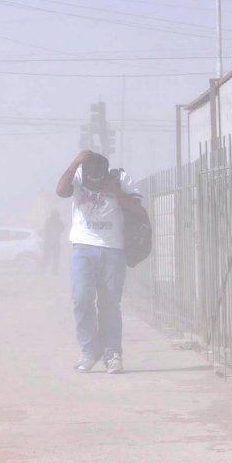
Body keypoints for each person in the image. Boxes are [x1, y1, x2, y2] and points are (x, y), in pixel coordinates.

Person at [56, 150, 142, 374]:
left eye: (98, 178)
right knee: (81, 298)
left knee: (110, 303)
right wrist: (75, 161)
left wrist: (115, 191)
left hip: (113, 248)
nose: (94, 181)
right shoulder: (78, 176)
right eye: (91, 177)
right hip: (82, 247)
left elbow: (137, 208)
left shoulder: (120, 179)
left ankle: (112, 352)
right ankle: (88, 351)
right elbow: (60, 190)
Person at [41, 210, 64, 275]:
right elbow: (62, 229)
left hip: (52, 243)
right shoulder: (55, 221)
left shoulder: (50, 221)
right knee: (51, 257)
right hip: (52, 243)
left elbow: (62, 229)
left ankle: (46, 271)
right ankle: (49, 271)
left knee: (51, 258)